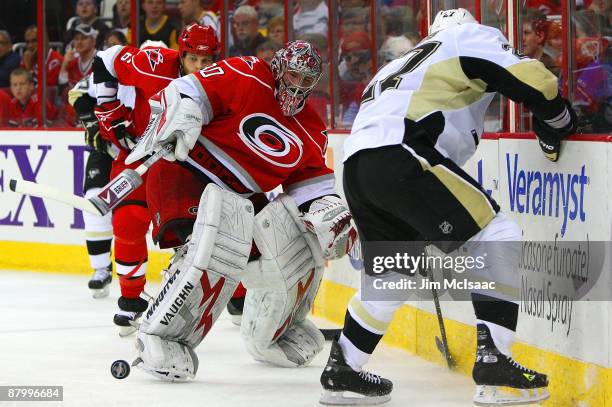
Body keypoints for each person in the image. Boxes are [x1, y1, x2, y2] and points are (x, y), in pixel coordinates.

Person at [318, 9, 577, 406]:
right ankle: (496, 364)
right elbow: (533, 79)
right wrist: (558, 119)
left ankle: (344, 370)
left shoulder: (397, 64)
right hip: (402, 152)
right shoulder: (466, 36)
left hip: (358, 166)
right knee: (497, 234)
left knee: (391, 278)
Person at [124, 40, 356, 380]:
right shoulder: (247, 73)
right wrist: (184, 113)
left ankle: (272, 334)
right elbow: (189, 90)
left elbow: (310, 184)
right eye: (293, 75)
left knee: (293, 245)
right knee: (220, 241)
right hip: (186, 172)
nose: (297, 86)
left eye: (306, 81)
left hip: (240, 196)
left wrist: (326, 210)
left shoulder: (310, 127)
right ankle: (161, 336)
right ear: (278, 68)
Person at [91, 23, 220, 335]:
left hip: (182, 162)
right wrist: (110, 111)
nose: (199, 68)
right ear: (182, 55)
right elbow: (106, 59)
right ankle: (131, 301)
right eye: (193, 60)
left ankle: (225, 298)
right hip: (137, 150)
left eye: (206, 61)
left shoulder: (221, 81)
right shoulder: (153, 64)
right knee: (128, 221)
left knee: (193, 231)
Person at [67, 33, 130, 299]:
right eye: (109, 47)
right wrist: (92, 123)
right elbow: (77, 94)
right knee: (94, 202)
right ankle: (101, 268)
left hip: (139, 149)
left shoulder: (139, 72)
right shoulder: (101, 71)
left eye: (119, 46)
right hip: (106, 150)